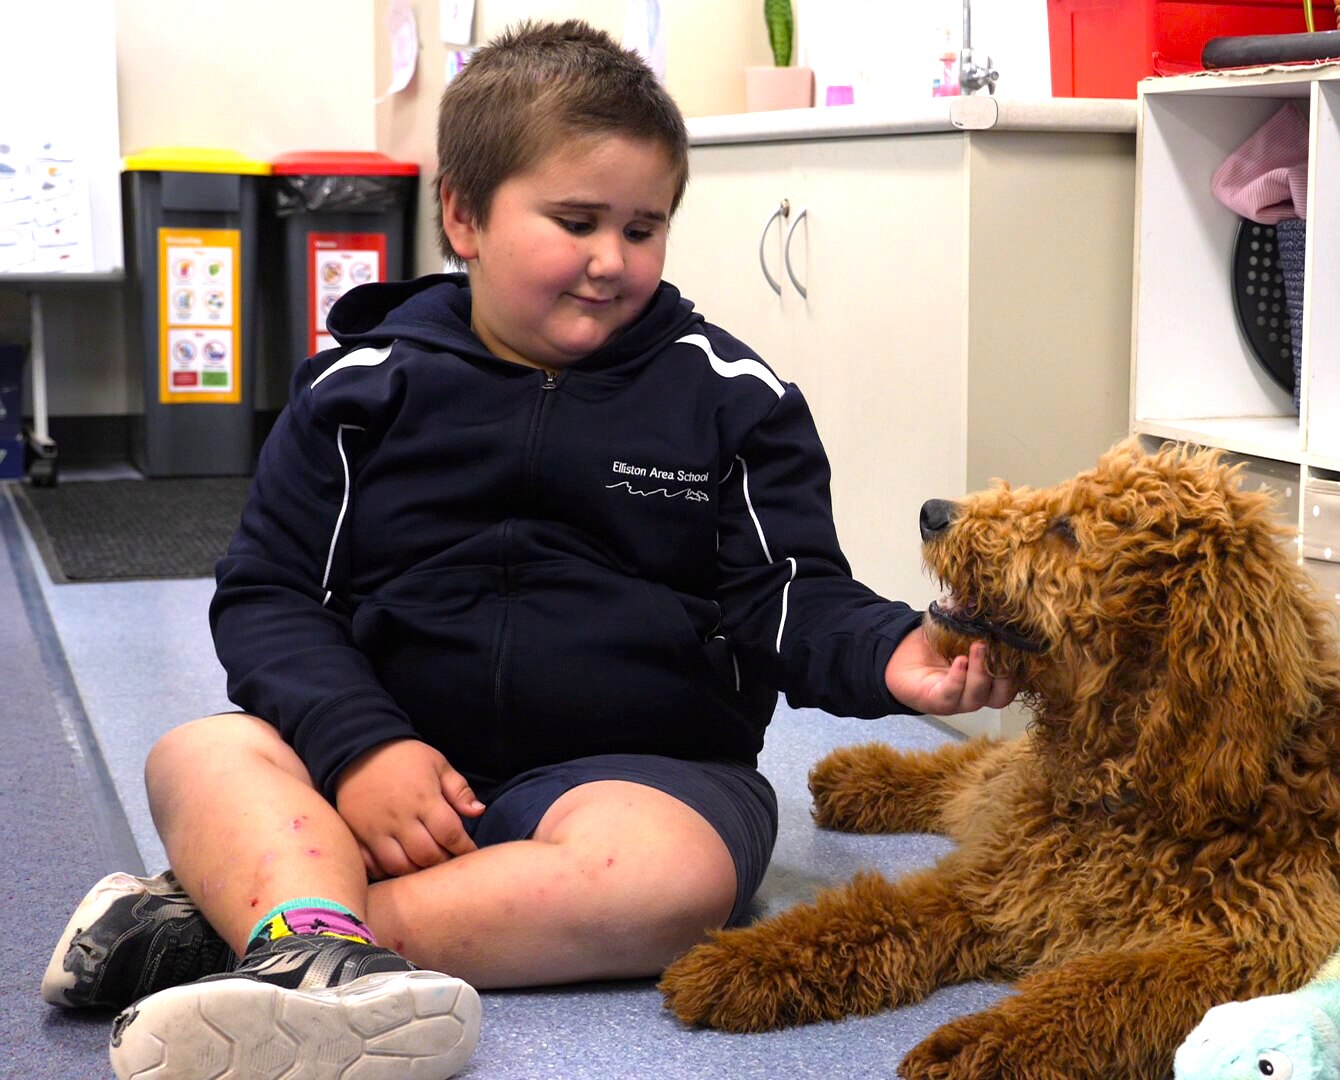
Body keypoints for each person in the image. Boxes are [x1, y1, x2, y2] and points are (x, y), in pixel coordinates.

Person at [42, 20, 1013, 1080]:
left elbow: (788, 597)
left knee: (673, 881)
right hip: (388, 773)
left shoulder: (735, 401)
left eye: (645, 229)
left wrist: (890, 653)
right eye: (576, 220)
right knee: (202, 754)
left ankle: (283, 941)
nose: (612, 260)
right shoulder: (359, 391)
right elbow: (271, 599)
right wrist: (363, 749)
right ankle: (304, 939)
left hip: (642, 777)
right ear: (464, 215)